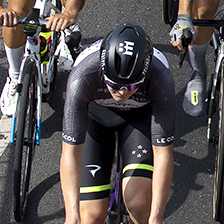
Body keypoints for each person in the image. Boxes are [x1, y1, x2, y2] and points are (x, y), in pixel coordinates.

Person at [60, 24, 175, 224]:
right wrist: (72, 216)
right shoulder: (82, 76)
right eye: (113, 84)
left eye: (130, 86)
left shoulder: (160, 77)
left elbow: (163, 153)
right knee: (90, 216)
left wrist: (156, 217)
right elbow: (70, 151)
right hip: (96, 118)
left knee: (140, 206)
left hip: (138, 119)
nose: (121, 92)